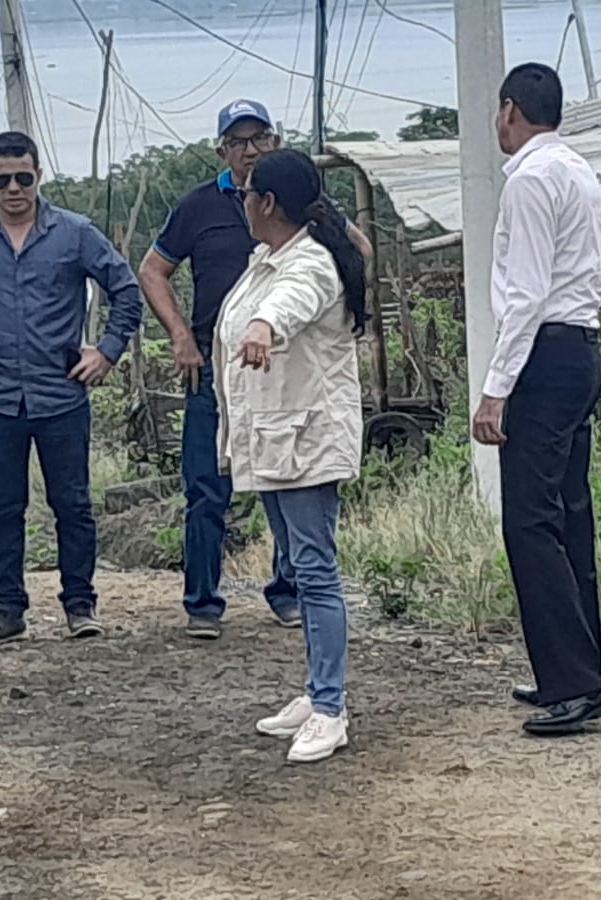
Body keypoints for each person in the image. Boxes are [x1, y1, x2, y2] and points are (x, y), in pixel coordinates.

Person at [139, 98, 371, 641]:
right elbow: (152, 269)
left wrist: (296, 320)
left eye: (260, 138)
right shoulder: (201, 206)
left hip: (286, 373)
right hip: (217, 369)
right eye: (238, 142)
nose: (250, 150)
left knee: (289, 486)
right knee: (206, 486)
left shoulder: (305, 210)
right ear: (221, 151)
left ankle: (290, 595)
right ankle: (203, 602)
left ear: (275, 143)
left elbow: (338, 262)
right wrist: (181, 337)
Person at [0, 131, 144, 647]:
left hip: (61, 395)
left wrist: (106, 351)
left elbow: (126, 290)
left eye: (23, 177)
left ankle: (80, 606)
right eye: (2, 180)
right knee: (4, 507)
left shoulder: (75, 234)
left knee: (72, 504)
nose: (14, 189)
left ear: (38, 175)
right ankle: (6, 610)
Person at [470, 63, 601, 737]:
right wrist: (582, 301)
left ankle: (575, 683)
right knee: (568, 514)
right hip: (577, 348)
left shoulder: (530, 179)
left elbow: (527, 295)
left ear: (510, 110)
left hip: (543, 354)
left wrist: (495, 390)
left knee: (530, 522)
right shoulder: (579, 171)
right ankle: (578, 672)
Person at [216, 148, 366, 764]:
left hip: (306, 440)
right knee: (299, 569)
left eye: (247, 194)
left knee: (315, 569)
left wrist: (263, 327)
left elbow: (292, 301)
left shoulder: (311, 263)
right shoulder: (268, 259)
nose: (243, 204)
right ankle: (316, 689)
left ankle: (330, 708)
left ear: (269, 203)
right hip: (276, 437)